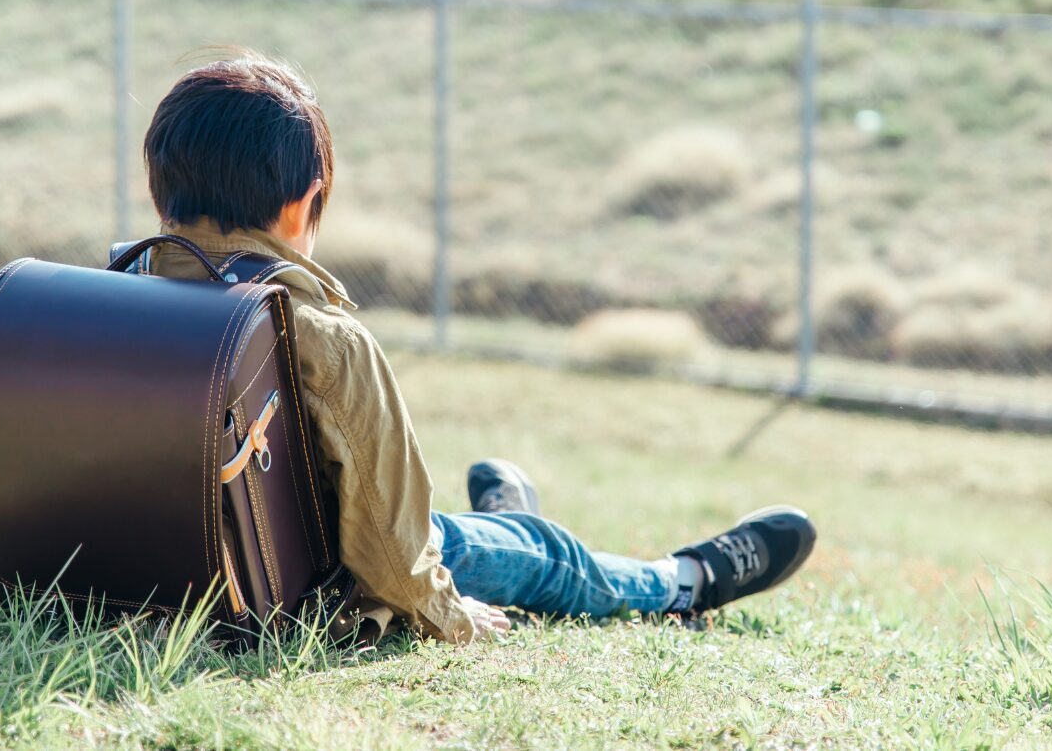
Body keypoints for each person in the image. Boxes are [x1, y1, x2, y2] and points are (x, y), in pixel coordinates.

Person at [142, 51, 817, 643]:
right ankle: (685, 580)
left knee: (497, 541)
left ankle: (510, 526)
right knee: (536, 554)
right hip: (310, 589)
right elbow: (389, 542)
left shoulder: (107, 308)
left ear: (160, 192)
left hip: (153, 578)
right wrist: (451, 616)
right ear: (303, 204)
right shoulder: (318, 336)